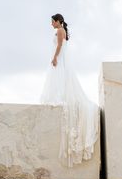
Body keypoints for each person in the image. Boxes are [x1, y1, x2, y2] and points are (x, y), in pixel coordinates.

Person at [40, 13, 99, 167]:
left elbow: (59, 45)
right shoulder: (61, 30)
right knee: (60, 79)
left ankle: (58, 97)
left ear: (58, 21)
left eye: (53, 21)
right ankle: (60, 96)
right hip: (63, 59)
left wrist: (54, 58)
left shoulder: (60, 31)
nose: (51, 24)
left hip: (60, 58)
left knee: (58, 78)